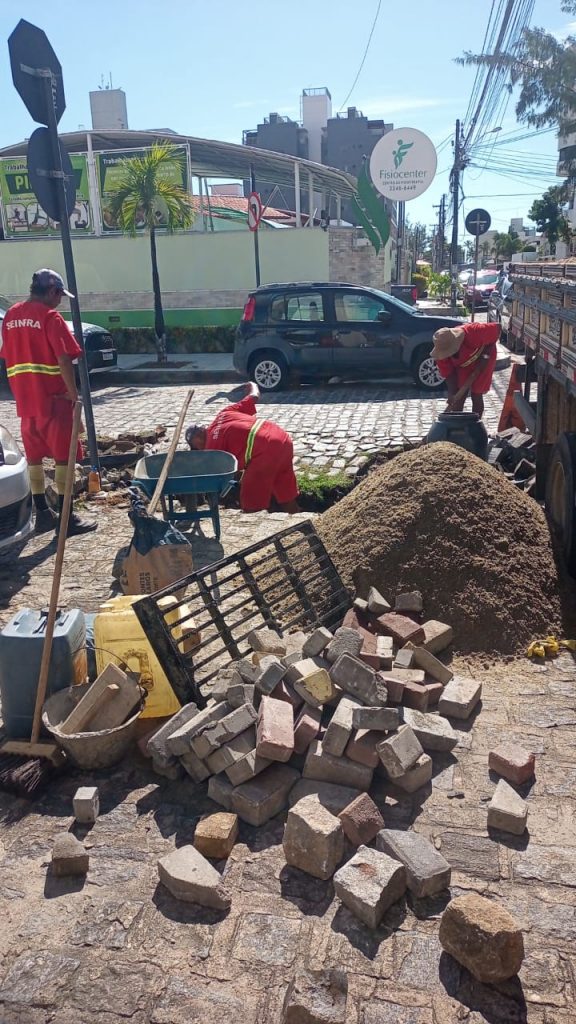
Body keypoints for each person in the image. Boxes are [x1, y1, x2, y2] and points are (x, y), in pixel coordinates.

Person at [0, 268, 97, 536]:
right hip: (55, 402)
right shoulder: (50, 317)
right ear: (52, 291)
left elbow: (8, 357)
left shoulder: (11, 316)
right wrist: (73, 394)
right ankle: (67, 520)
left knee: (33, 459)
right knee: (63, 459)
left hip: (27, 403)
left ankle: (43, 513)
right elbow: (65, 358)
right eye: (60, 296)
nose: (60, 302)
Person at [185, 382, 300, 513]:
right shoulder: (223, 414)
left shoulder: (212, 450)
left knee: (251, 500)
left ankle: (255, 525)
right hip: (282, 439)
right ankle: (298, 517)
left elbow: (222, 478)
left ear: (197, 444)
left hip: (264, 451)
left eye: (196, 448)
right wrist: (251, 384)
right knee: (284, 491)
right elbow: (254, 395)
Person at [430, 321, 501, 418]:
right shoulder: (441, 355)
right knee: (459, 397)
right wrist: (452, 394)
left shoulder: (475, 332)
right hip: (463, 365)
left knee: (476, 394)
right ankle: (457, 424)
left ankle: (475, 423)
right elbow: (449, 375)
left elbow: (498, 328)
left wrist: (485, 356)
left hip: (484, 359)